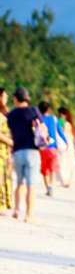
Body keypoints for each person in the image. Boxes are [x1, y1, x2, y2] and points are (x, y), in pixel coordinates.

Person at [6, 87, 43, 223]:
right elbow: (42, 128)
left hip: (17, 151)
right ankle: (29, 215)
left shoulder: (12, 114)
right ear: (26, 98)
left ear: (16, 99)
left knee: (19, 183)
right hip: (32, 151)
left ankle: (16, 210)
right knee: (31, 185)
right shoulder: (33, 111)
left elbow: (10, 130)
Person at [37, 101, 60, 196]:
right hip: (52, 147)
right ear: (48, 109)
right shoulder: (53, 118)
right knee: (52, 168)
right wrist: (65, 141)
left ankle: (47, 188)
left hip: (42, 147)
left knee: (44, 168)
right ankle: (51, 186)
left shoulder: (38, 119)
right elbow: (60, 131)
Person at [57, 105, 75, 188]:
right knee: (69, 162)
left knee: (63, 162)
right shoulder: (71, 123)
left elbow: (61, 132)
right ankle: (68, 180)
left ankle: (64, 180)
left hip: (64, 143)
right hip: (70, 144)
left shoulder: (62, 122)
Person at [0, 89, 13, 218]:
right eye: (4, 95)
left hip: (5, 151)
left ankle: (4, 204)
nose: (7, 97)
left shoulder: (6, 112)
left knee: (6, 177)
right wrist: (11, 142)